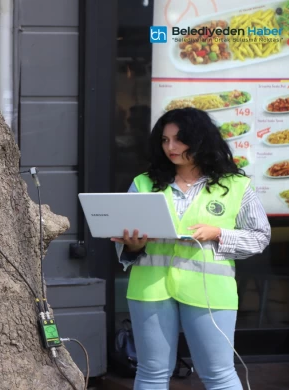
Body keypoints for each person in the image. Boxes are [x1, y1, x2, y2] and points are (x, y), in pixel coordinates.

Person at [112, 108, 270, 390]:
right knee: (150, 372)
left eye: (179, 139)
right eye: (164, 140)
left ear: (201, 140)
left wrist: (218, 233)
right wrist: (134, 247)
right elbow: (127, 243)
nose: (170, 147)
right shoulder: (143, 183)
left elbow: (259, 237)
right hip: (150, 290)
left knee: (219, 374)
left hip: (210, 291)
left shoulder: (235, 186)